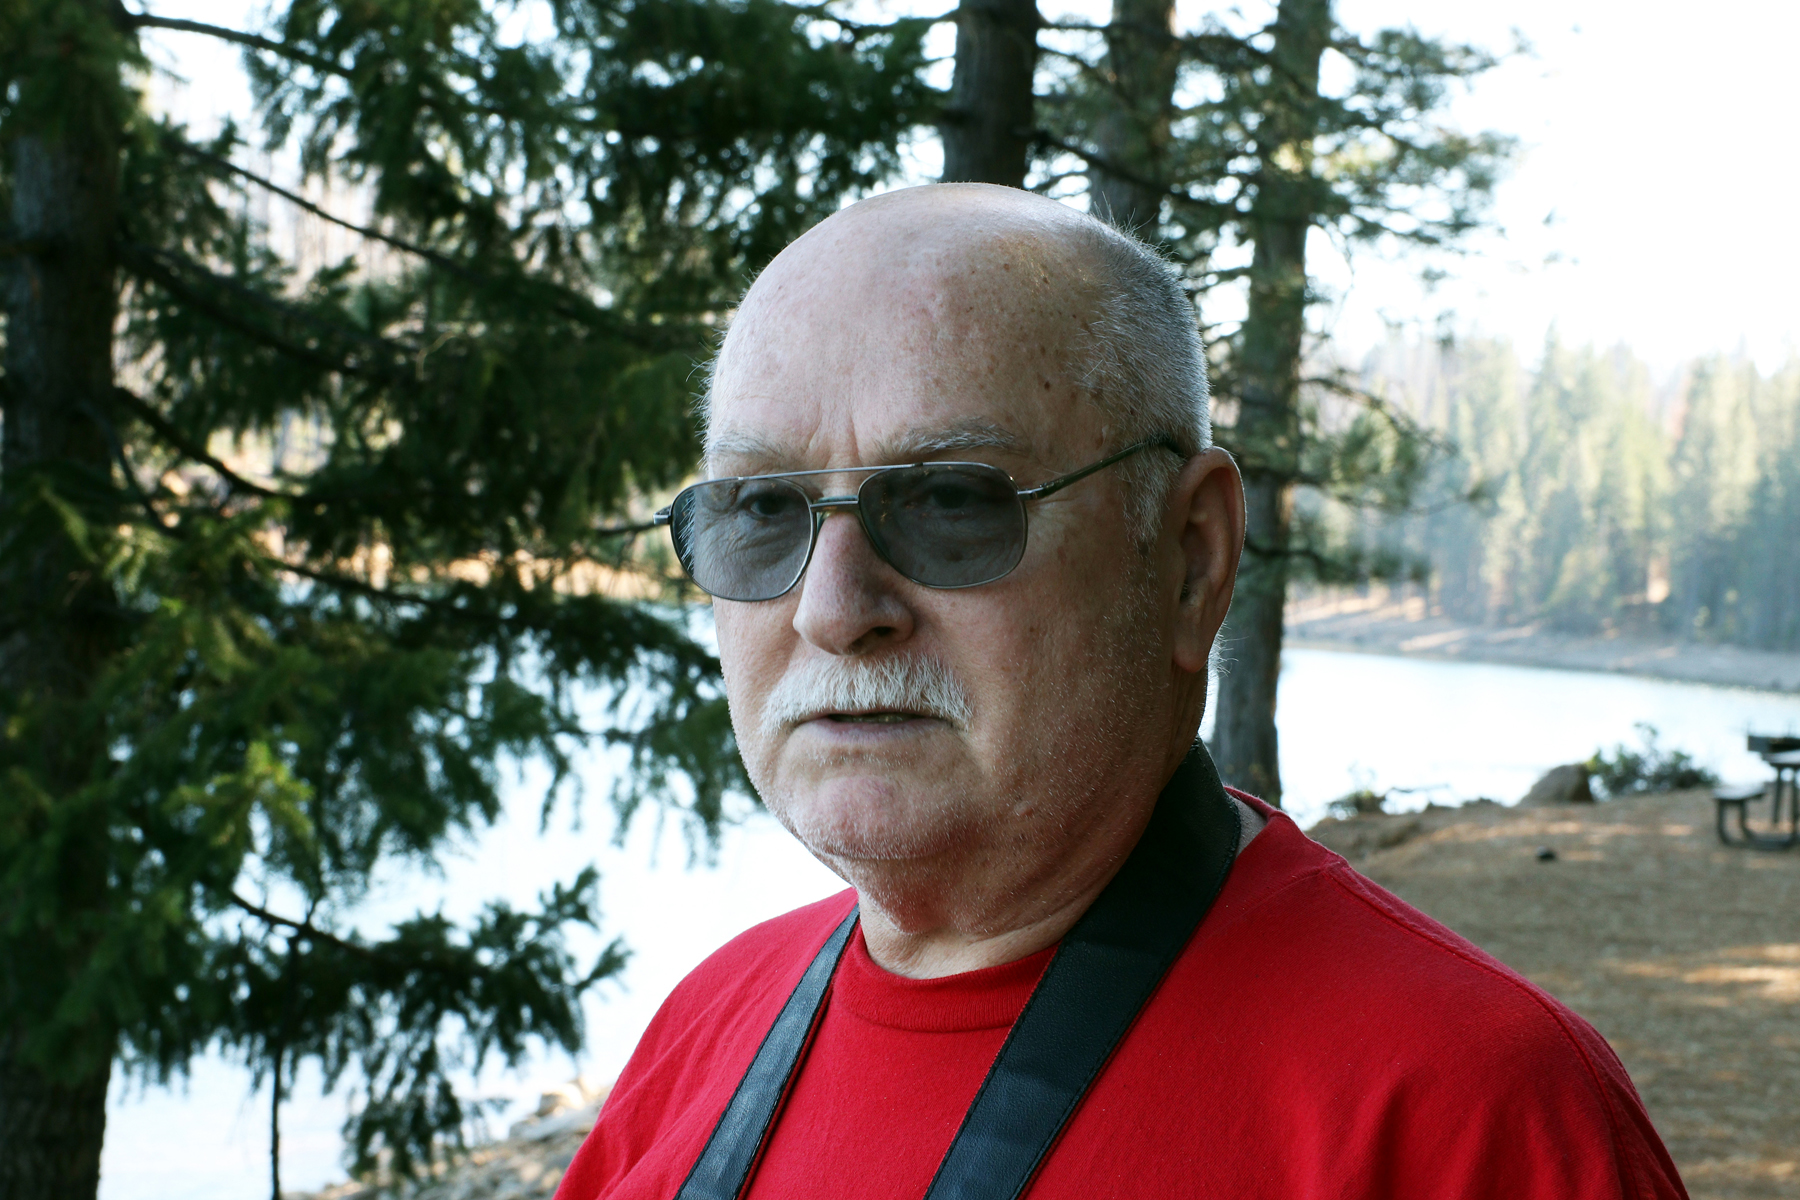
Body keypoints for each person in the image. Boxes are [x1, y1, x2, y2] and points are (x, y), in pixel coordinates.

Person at [555, 184, 1687, 1199]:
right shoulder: (708, 1026)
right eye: (760, 510)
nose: (832, 608)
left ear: (1190, 558)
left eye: (952, 502)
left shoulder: (1464, 1114)